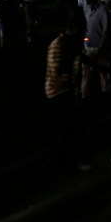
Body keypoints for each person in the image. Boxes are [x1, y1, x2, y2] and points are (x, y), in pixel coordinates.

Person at [46, 24, 92, 171]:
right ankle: (79, 158)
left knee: (68, 123)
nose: (81, 36)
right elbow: (59, 70)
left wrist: (103, 68)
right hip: (56, 90)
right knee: (79, 120)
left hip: (67, 89)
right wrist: (74, 53)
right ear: (68, 30)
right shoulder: (57, 45)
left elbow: (82, 58)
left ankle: (57, 157)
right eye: (78, 32)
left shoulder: (70, 43)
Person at [82, 0, 111, 98]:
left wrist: (102, 45)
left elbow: (106, 29)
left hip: (99, 45)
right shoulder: (87, 8)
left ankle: (106, 91)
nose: (87, 1)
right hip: (88, 44)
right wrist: (84, 41)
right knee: (86, 70)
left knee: (103, 70)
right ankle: (85, 94)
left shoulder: (103, 9)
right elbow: (87, 27)